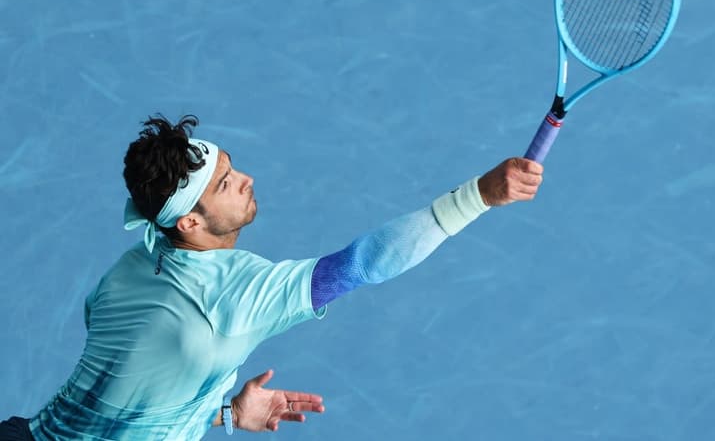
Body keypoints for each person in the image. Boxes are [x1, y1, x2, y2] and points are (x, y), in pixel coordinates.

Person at [5, 115, 543, 440]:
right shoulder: (237, 293)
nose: (246, 180)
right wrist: (477, 196)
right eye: (224, 183)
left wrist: (223, 414)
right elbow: (364, 263)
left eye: (231, 166)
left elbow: (134, 399)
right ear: (190, 221)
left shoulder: (127, 271)